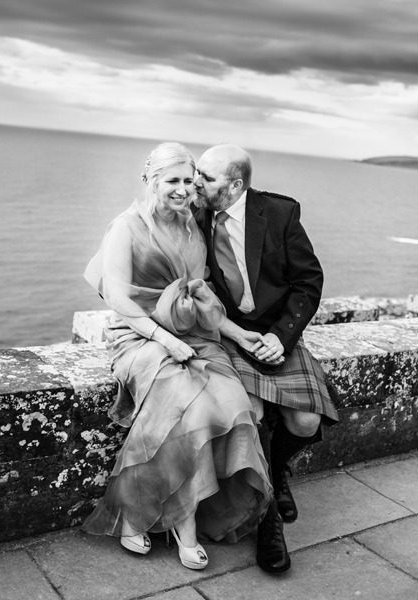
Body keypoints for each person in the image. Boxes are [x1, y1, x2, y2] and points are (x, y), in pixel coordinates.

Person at [80, 142, 274, 571]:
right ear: (150, 180)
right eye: (173, 180)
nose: (183, 189)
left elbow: (199, 297)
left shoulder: (192, 227)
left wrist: (240, 334)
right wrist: (166, 343)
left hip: (190, 332)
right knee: (189, 406)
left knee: (235, 402)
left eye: (190, 180)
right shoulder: (125, 227)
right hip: (139, 336)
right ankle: (173, 526)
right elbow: (118, 299)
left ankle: (161, 516)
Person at [193, 144, 340, 572]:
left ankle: (275, 473)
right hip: (227, 335)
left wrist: (282, 337)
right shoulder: (194, 215)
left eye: (207, 177)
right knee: (252, 417)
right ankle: (268, 521)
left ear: (235, 184)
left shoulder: (279, 214)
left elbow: (308, 282)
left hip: (276, 333)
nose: (197, 183)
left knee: (305, 421)